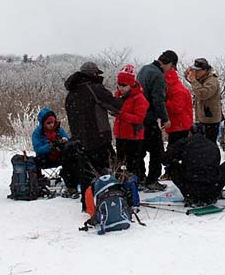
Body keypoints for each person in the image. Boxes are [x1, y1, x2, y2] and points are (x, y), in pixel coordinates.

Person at [64, 61, 123, 210]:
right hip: (98, 137)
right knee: (111, 168)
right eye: (97, 73)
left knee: (86, 173)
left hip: (79, 139)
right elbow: (115, 106)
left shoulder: (71, 94)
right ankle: (115, 200)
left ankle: (88, 204)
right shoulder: (95, 89)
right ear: (93, 74)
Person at [136, 50, 178, 191]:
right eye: (172, 67)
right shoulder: (158, 75)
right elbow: (158, 100)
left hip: (138, 118)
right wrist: (165, 119)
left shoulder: (144, 69)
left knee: (139, 151)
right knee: (157, 151)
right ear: (169, 63)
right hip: (149, 118)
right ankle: (152, 180)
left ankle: (140, 177)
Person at [167, 123, 225, 207]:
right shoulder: (212, 145)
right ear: (204, 134)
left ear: (190, 133)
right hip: (212, 188)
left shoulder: (184, 143)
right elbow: (216, 165)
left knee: (172, 167)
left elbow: (166, 159)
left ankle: (190, 196)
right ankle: (211, 195)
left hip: (190, 188)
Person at [112, 65, 149, 184]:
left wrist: (121, 114)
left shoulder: (139, 98)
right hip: (120, 134)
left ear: (131, 84)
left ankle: (138, 181)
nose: (121, 87)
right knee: (121, 161)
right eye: (119, 84)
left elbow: (139, 118)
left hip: (134, 136)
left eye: (124, 85)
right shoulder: (117, 96)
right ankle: (123, 181)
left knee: (134, 162)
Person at [31, 107, 79, 197]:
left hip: (60, 157)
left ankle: (72, 184)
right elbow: (38, 149)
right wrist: (51, 146)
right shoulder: (37, 133)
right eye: (48, 123)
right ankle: (38, 184)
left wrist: (64, 141)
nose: (51, 124)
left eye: (53, 122)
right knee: (33, 162)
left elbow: (68, 140)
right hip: (45, 158)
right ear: (43, 123)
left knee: (71, 156)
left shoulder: (59, 130)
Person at [185, 58, 222, 143]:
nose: (196, 73)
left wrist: (194, 80)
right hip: (202, 119)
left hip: (210, 120)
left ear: (205, 70)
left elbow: (203, 94)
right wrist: (188, 74)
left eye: (198, 70)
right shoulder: (202, 79)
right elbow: (193, 83)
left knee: (210, 144)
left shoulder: (212, 81)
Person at [163, 66, 193, 149]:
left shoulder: (177, 90)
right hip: (179, 126)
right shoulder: (174, 88)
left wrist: (164, 102)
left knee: (174, 152)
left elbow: (176, 108)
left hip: (180, 127)